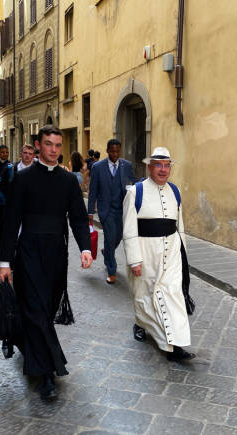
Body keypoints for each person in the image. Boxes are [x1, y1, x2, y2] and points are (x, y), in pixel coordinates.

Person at [0, 125, 93, 401]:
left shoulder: (67, 181)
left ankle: (31, 347)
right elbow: (11, 222)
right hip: (28, 251)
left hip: (56, 254)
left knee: (46, 309)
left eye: (57, 145)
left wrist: (85, 248)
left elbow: (77, 217)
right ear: (38, 145)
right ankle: (47, 373)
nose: (53, 150)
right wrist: (5, 261)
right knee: (36, 310)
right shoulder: (23, 179)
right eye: (48, 144)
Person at [122, 147, 195, 362]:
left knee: (173, 295)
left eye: (166, 166)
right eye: (158, 165)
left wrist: (183, 254)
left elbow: (179, 226)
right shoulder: (136, 192)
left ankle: (175, 346)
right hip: (145, 252)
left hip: (171, 251)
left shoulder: (175, 191)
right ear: (150, 167)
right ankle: (141, 323)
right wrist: (134, 260)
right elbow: (129, 230)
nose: (163, 170)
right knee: (144, 294)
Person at [88, 139, 136, 284]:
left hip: (122, 209)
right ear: (107, 150)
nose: (115, 154)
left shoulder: (126, 165)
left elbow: (133, 184)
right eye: (112, 151)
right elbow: (93, 191)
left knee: (119, 236)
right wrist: (90, 211)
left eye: (117, 151)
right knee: (109, 238)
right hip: (106, 210)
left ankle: (107, 252)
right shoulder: (97, 167)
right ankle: (111, 270)